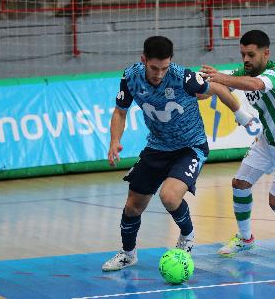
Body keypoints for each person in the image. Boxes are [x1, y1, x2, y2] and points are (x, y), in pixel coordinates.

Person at [102, 36, 253, 271]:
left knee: (170, 196)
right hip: (157, 147)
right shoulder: (131, 77)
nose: (159, 74)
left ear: (170, 62)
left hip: (190, 147)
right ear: (144, 60)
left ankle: (187, 236)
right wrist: (114, 141)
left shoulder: (182, 77)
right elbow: (120, 112)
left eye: (164, 68)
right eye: (154, 68)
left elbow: (218, 88)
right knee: (133, 205)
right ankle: (128, 254)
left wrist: (240, 114)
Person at [200, 30, 275, 256]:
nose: (245, 60)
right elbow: (218, 89)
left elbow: (253, 85)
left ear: (265, 53)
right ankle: (245, 238)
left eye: (251, 55)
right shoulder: (245, 72)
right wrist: (192, 89)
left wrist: (220, 77)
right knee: (240, 184)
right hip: (268, 141)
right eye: (242, 54)